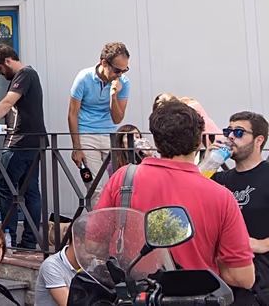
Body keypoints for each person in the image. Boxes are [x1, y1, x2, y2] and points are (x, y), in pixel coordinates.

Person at [93, 101, 254, 289]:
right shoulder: (222, 197)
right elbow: (243, 277)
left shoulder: (124, 178)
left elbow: (93, 243)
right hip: (193, 295)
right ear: (198, 142)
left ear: (155, 141)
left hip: (135, 293)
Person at [0, 44, 45, 250]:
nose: (1, 74)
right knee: (30, 190)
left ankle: (7, 238)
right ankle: (30, 240)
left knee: (6, 187)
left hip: (19, 143)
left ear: (8, 61)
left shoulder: (23, 74)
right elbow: (21, 108)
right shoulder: (31, 75)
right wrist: (0, 111)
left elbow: (9, 102)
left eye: (0, 69)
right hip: (35, 142)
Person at [212, 111, 269, 306]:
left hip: (261, 283)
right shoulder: (219, 180)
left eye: (238, 132)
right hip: (225, 281)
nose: (230, 137)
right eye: (228, 131)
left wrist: (263, 244)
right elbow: (188, 191)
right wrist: (208, 161)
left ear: (258, 140)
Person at [68, 42, 131, 209]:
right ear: (104, 63)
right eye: (117, 70)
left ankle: (118, 226)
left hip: (111, 135)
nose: (120, 74)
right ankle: (99, 230)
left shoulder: (123, 83)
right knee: (94, 188)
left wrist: (113, 96)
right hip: (87, 135)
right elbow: (72, 113)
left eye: (124, 70)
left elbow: (117, 119)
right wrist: (77, 147)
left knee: (121, 186)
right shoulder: (84, 78)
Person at [35, 222, 80, 306]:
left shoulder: (91, 263)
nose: (94, 256)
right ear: (77, 242)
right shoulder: (51, 266)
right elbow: (67, 304)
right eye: (91, 251)